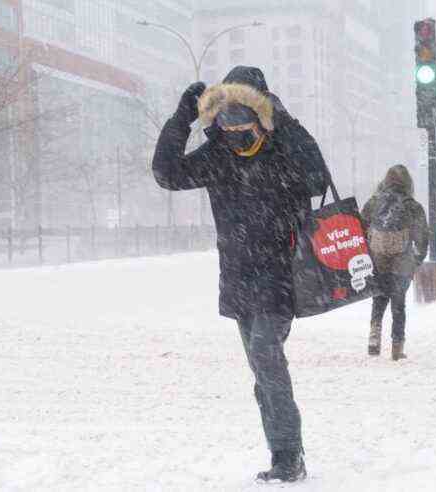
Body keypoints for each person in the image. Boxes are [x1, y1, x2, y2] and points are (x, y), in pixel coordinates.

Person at [151, 66, 326, 483]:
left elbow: (317, 178)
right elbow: (166, 174)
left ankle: (287, 458)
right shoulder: (218, 157)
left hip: (282, 276)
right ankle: (284, 449)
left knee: (266, 356)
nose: (236, 128)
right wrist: (181, 118)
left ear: (261, 111)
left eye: (245, 114)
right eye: (227, 117)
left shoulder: (282, 149)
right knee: (262, 370)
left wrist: (283, 120)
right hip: (238, 278)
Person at [361, 165, 429, 360]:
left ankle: (374, 337)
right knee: (398, 304)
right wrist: (417, 259)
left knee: (379, 296)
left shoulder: (374, 202)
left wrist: (369, 251)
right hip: (402, 260)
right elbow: (422, 236)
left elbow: (360, 227)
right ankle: (397, 347)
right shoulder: (412, 205)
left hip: (378, 257)